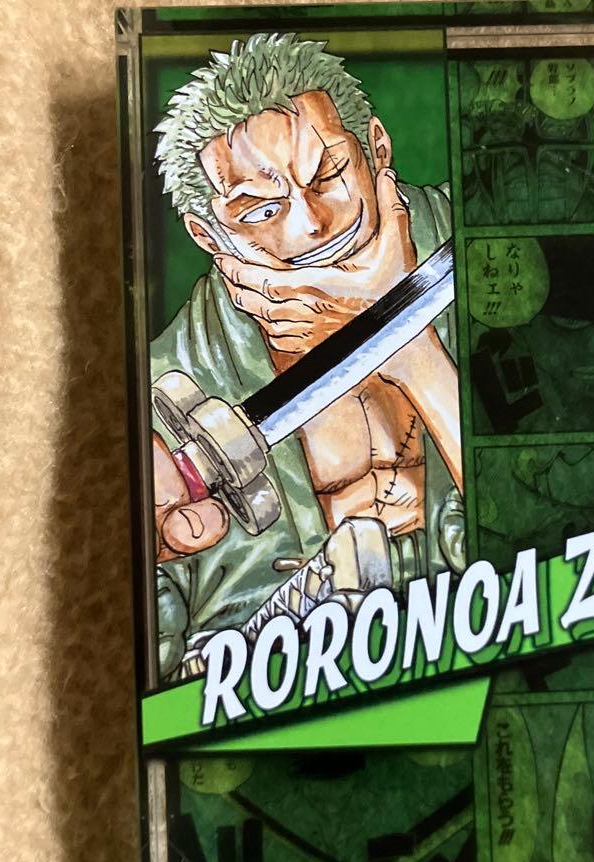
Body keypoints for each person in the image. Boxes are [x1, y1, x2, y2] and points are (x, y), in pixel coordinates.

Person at [149, 34, 463, 681]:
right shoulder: (167, 379)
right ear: (208, 235)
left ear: (376, 148)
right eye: (262, 209)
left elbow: (579, 514)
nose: (311, 223)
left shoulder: (491, 253)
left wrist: (410, 347)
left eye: (327, 175)